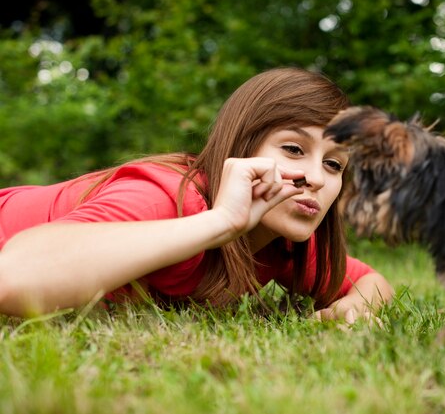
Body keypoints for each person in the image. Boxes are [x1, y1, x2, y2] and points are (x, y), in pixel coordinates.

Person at [0, 67, 394, 322]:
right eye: (293, 149)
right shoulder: (171, 198)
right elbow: (11, 278)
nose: (316, 178)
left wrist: (352, 310)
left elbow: (371, 281)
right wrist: (220, 222)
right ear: (241, 149)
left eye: (334, 165)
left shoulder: (280, 243)